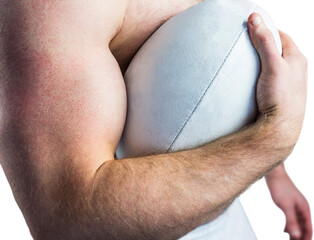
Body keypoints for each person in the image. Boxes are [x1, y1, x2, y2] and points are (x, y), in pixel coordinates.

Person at [0, 0, 311, 239]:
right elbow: (67, 219)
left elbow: (203, 88)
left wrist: (276, 174)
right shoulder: (55, 10)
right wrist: (273, 140)